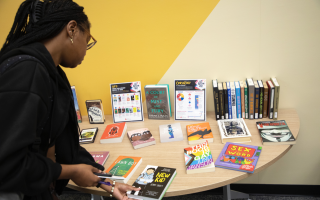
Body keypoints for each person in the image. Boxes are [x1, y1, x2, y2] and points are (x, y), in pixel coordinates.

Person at [0, 0, 140, 199]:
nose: (86, 50)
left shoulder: (51, 73)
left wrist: (107, 182)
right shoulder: (28, 73)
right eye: (88, 40)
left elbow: (66, 146)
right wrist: (71, 171)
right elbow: (9, 164)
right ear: (72, 29)